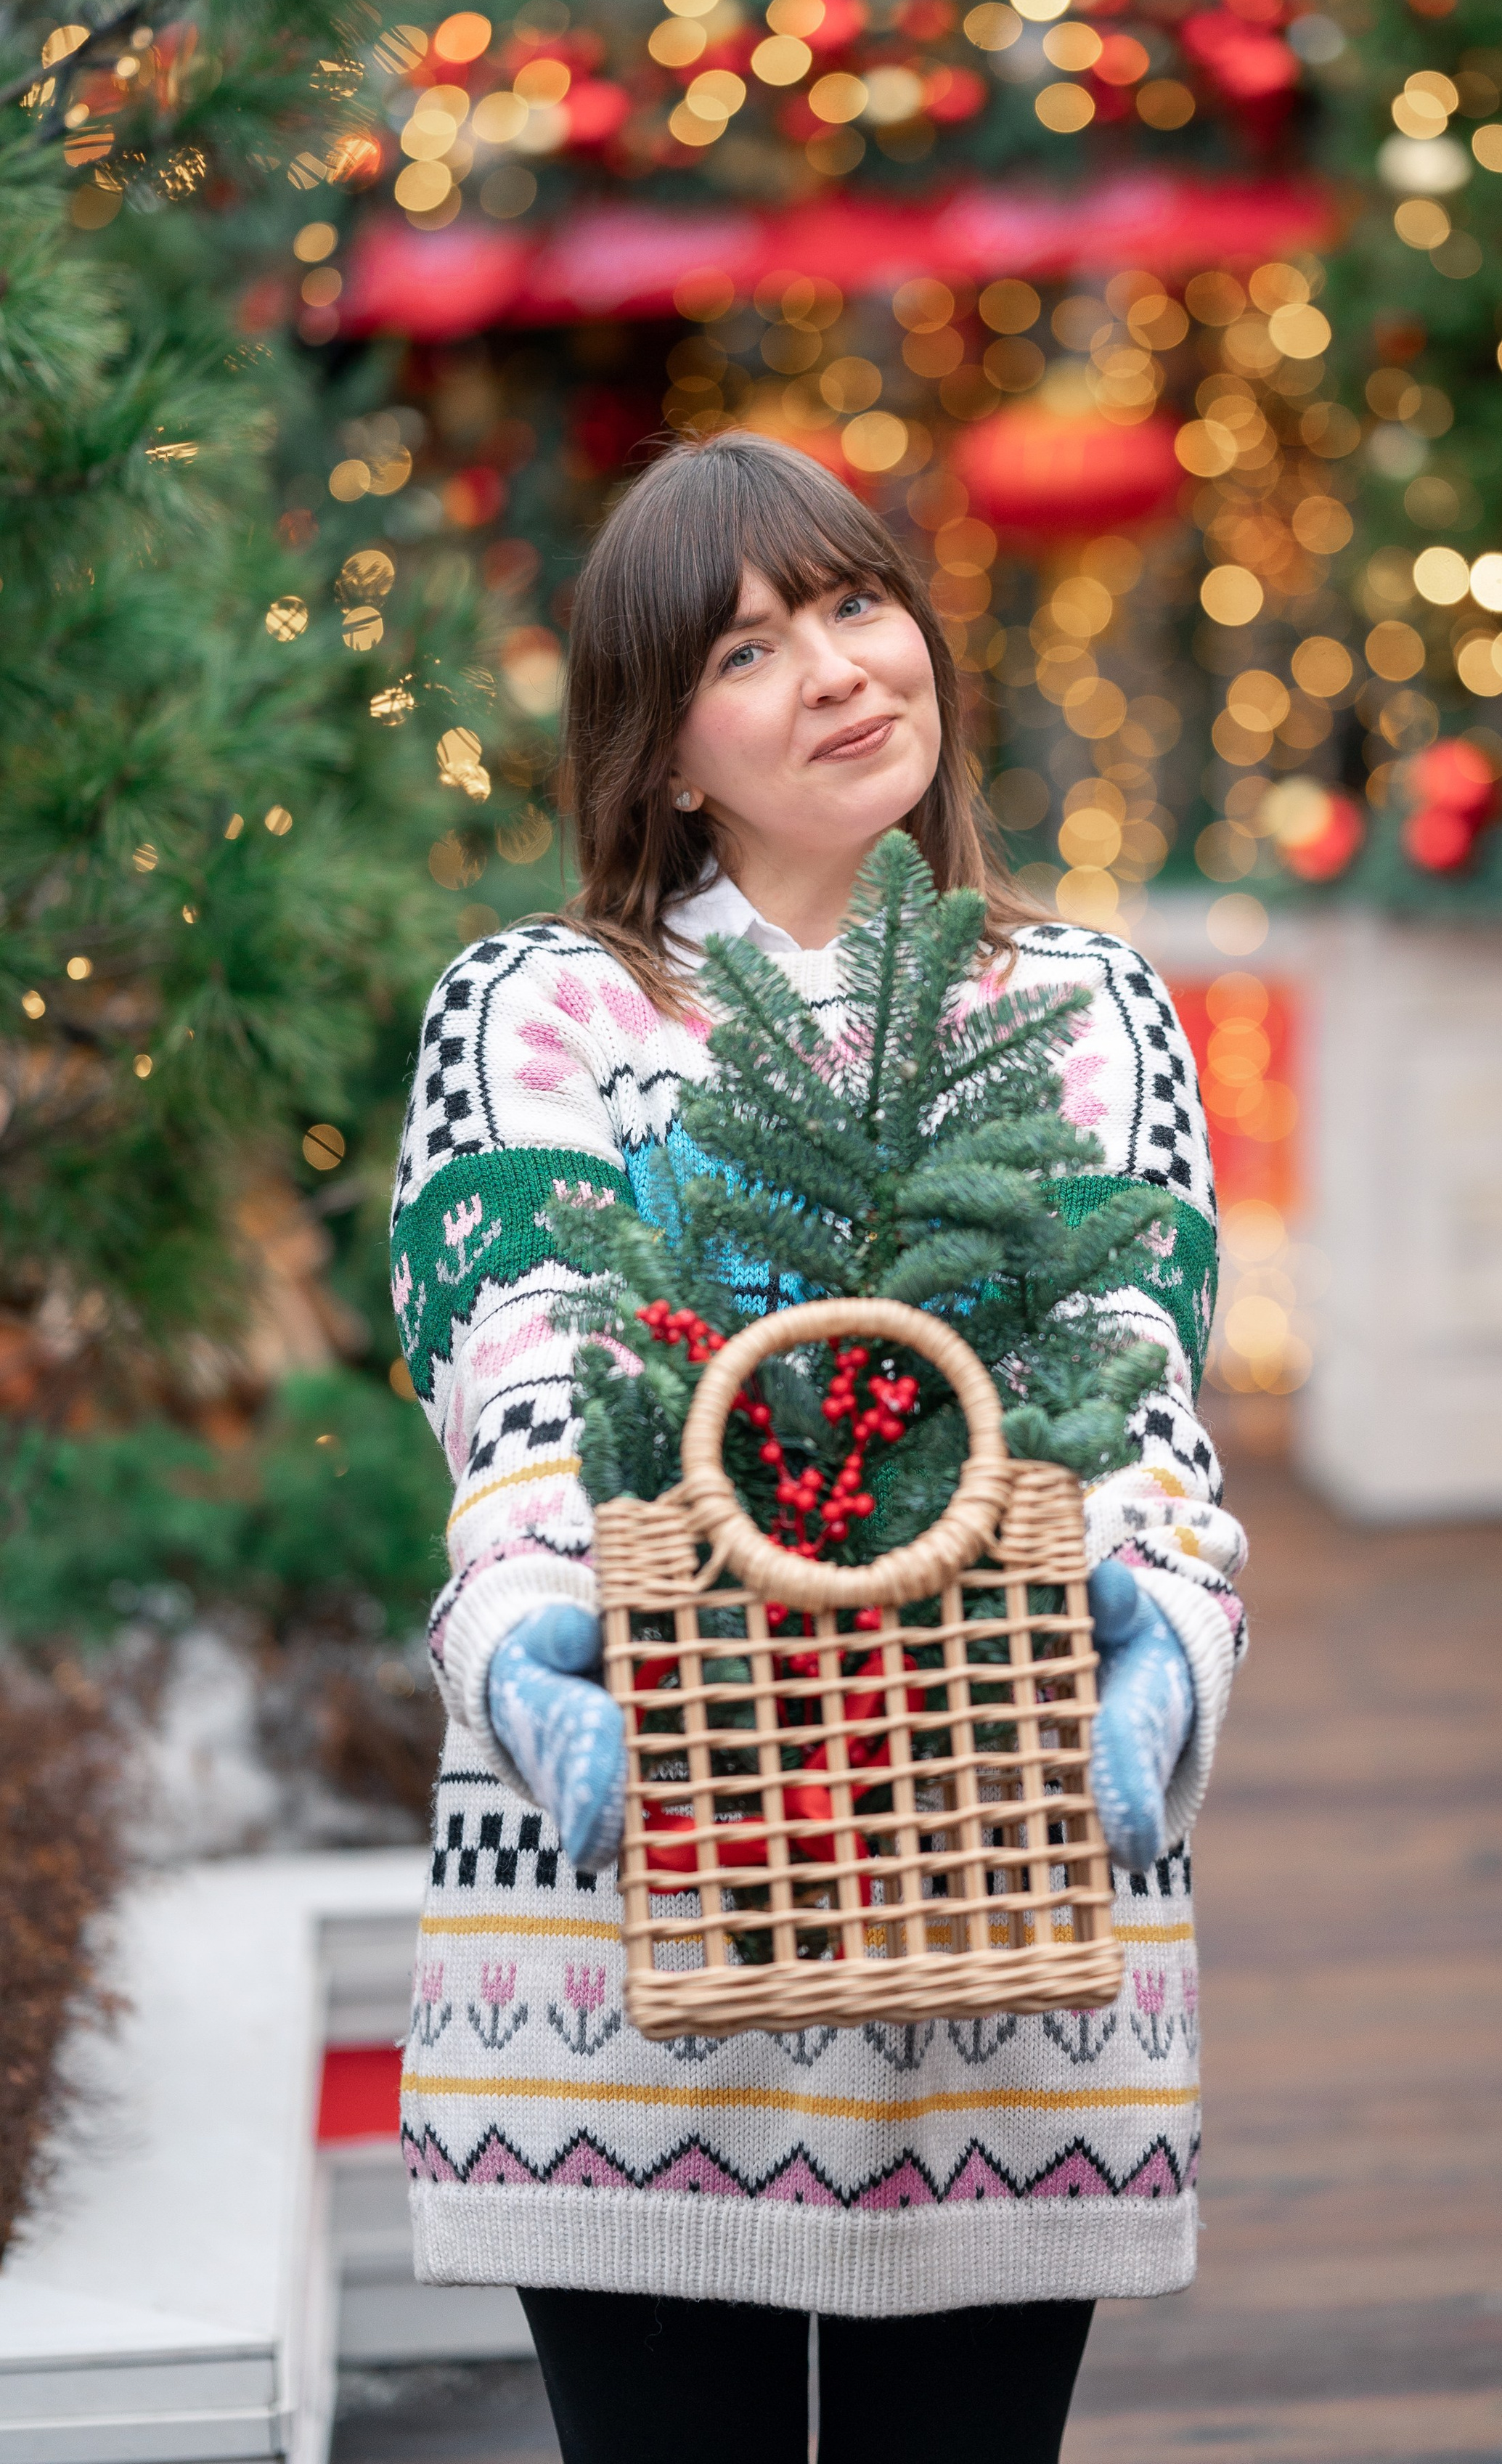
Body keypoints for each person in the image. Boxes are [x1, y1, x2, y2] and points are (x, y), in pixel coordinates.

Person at [389, 433, 1247, 2464]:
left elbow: (1138, 1396)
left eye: (860, 604)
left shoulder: (1091, 1009)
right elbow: (516, 1379)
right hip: (626, 1925)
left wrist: (1165, 1658)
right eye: (752, 648)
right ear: (666, 749)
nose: (845, 669)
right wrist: (530, 1660)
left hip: (1006, 1875)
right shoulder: (540, 1010)